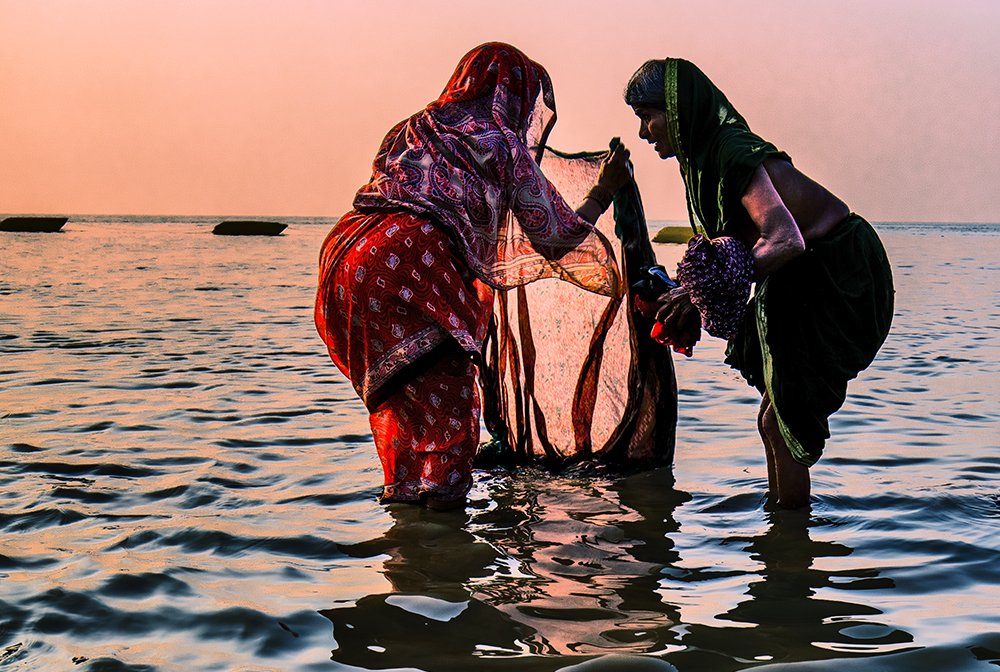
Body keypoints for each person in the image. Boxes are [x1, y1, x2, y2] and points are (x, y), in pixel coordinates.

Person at [315, 42, 631, 510]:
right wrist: (604, 191)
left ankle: (406, 549)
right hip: (413, 268)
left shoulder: (412, 128)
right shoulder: (497, 141)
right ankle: (445, 561)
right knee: (451, 418)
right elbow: (556, 237)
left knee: (408, 414)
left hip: (346, 262)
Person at [624, 58, 894, 509]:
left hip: (837, 271)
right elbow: (731, 250)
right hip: (800, 275)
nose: (644, 133)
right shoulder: (702, 163)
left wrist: (697, 294)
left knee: (782, 417)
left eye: (648, 117)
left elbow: (784, 239)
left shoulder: (729, 151)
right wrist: (680, 290)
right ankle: (785, 537)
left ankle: (789, 540)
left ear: (677, 108)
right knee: (772, 419)